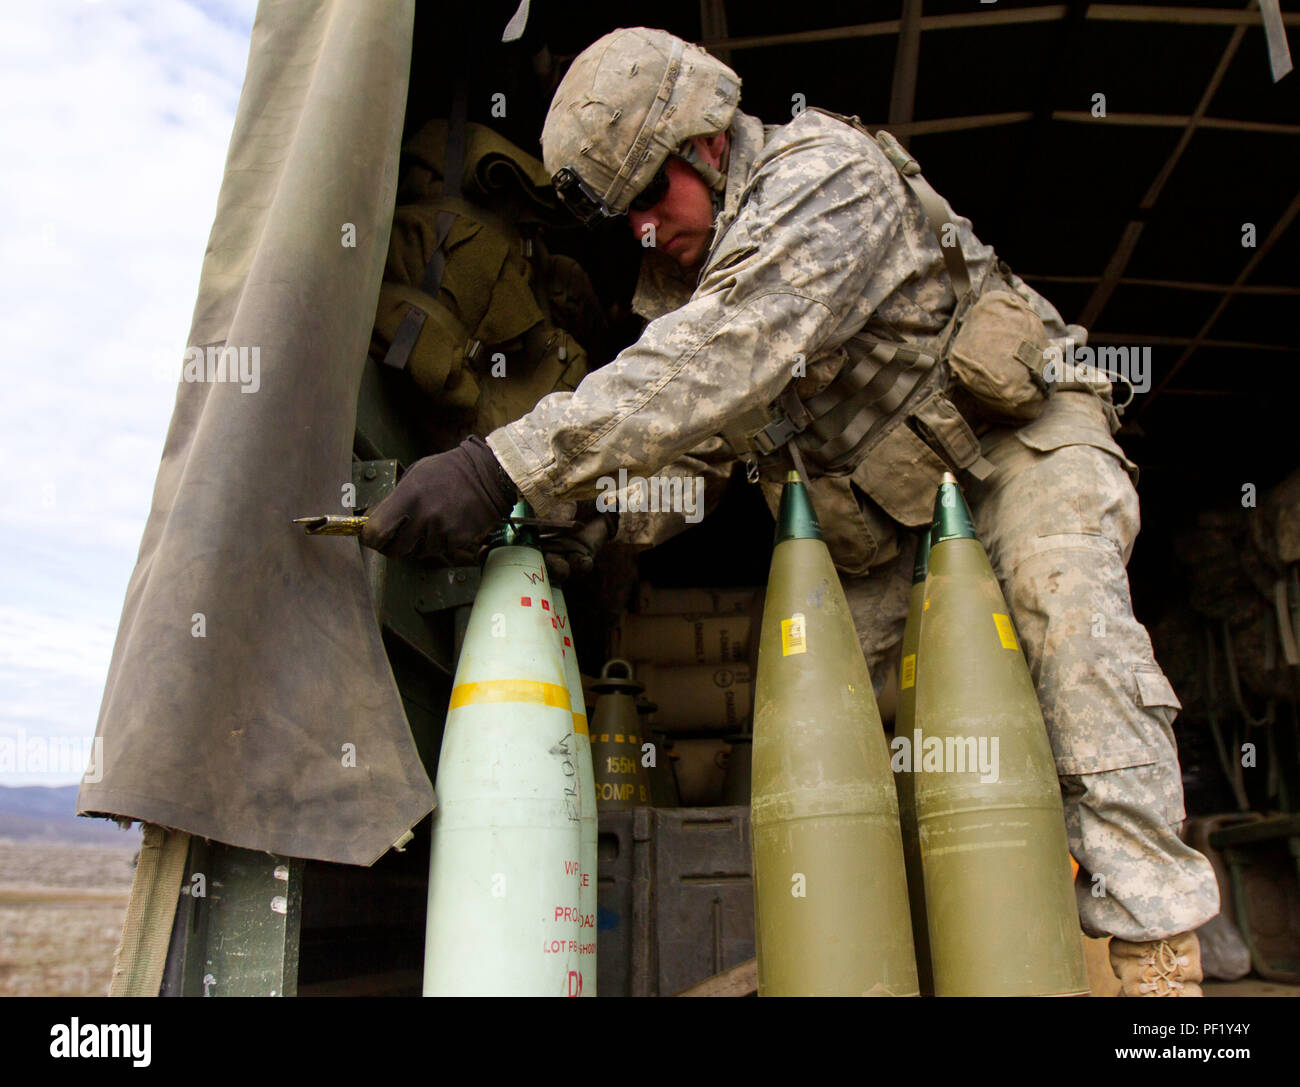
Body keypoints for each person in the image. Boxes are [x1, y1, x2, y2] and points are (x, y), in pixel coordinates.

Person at [363, 27, 1220, 995]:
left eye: (652, 194)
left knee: (1070, 617)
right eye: (623, 215)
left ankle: (1158, 958)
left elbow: (715, 364)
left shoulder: (825, 177)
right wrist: (598, 523)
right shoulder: (692, 280)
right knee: (822, 740)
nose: (642, 230)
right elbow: (701, 451)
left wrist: (501, 467)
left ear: (709, 144)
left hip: (1015, 452)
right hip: (887, 527)